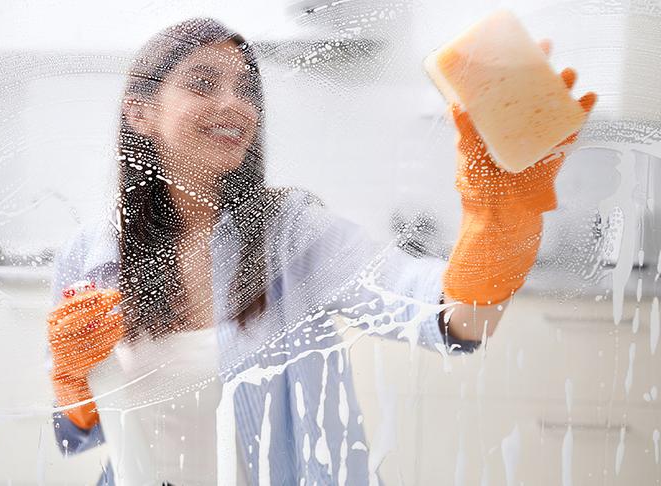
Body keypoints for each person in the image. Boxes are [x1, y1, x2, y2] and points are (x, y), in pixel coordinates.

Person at [46, 18, 596, 485]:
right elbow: (80, 431)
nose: (233, 104)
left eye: (246, 89)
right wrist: (72, 385)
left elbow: (452, 316)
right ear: (140, 112)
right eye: (203, 82)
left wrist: (497, 223)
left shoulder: (290, 235)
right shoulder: (89, 256)